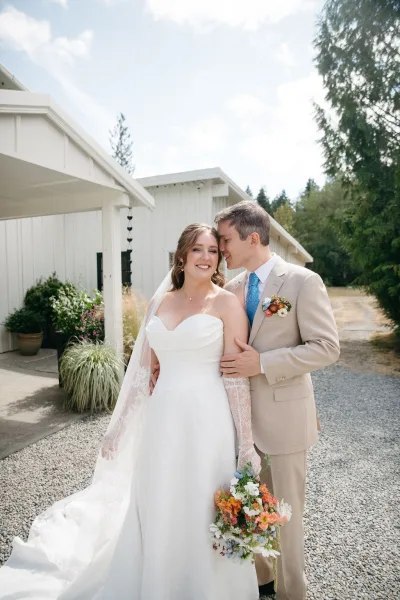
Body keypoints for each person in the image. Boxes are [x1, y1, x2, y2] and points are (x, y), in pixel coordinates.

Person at [0, 223, 260, 600]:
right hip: (162, 417)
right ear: (182, 256)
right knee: (158, 495)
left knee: (202, 500)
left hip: (207, 419)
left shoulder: (227, 304)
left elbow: (237, 380)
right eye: (198, 249)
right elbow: (141, 374)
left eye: (213, 251)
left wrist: (247, 443)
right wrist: (118, 428)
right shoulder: (160, 303)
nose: (206, 257)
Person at [215, 201, 340, 600]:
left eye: (225, 239)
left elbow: (326, 348)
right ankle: (260, 583)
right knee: (252, 511)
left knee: (287, 517)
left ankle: (292, 593)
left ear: (253, 237)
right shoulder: (232, 290)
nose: (221, 250)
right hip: (240, 425)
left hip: (286, 422)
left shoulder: (303, 282)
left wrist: (263, 363)